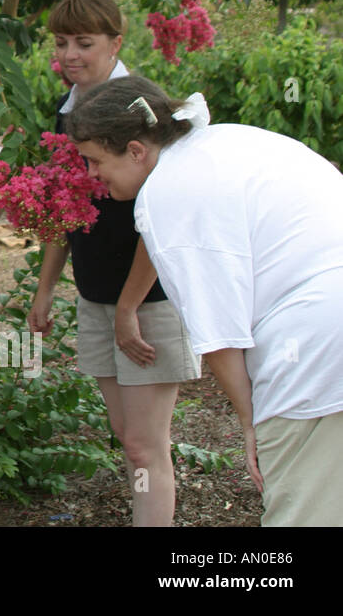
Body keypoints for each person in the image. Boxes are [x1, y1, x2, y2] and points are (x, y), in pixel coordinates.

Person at [67, 75, 343, 526]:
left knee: (302, 510)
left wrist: (253, 425)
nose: (91, 175)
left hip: (317, 343)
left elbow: (218, 334)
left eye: (96, 160)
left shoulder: (167, 196)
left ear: (136, 150)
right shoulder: (226, 141)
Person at [28, 0, 199, 526]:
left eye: (84, 42)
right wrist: (47, 287)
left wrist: (129, 308)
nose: (70, 55)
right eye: (61, 43)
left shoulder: (139, 111)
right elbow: (63, 206)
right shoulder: (68, 111)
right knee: (129, 440)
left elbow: (162, 221)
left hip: (148, 302)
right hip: (98, 295)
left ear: (114, 42)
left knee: (147, 446)